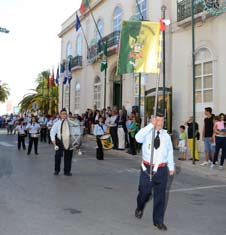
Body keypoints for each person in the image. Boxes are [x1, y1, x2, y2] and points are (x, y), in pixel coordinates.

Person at [134, 110, 174, 231]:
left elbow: (170, 152)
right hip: (147, 168)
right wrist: (150, 125)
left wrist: (171, 167)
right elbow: (137, 138)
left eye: (162, 120)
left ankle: (158, 221)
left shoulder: (166, 136)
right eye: (157, 120)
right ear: (153, 120)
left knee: (160, 196)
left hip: (161, 169)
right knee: (144, 192)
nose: (160, 122)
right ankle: (140, 207)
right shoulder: (147, 132)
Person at [50, 108, 74, 176]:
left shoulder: (71, 122)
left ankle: (67, 171)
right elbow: (52, 132)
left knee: (68, 157)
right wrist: (54, 143)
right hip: (59, 141)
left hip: (68, 141)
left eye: (65, 114)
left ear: (67, 115)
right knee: (57, 156)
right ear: (60, 115)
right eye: (62, 114)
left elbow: (75, 130)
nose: (64, 115)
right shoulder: (57, 123)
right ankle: (56, 170)